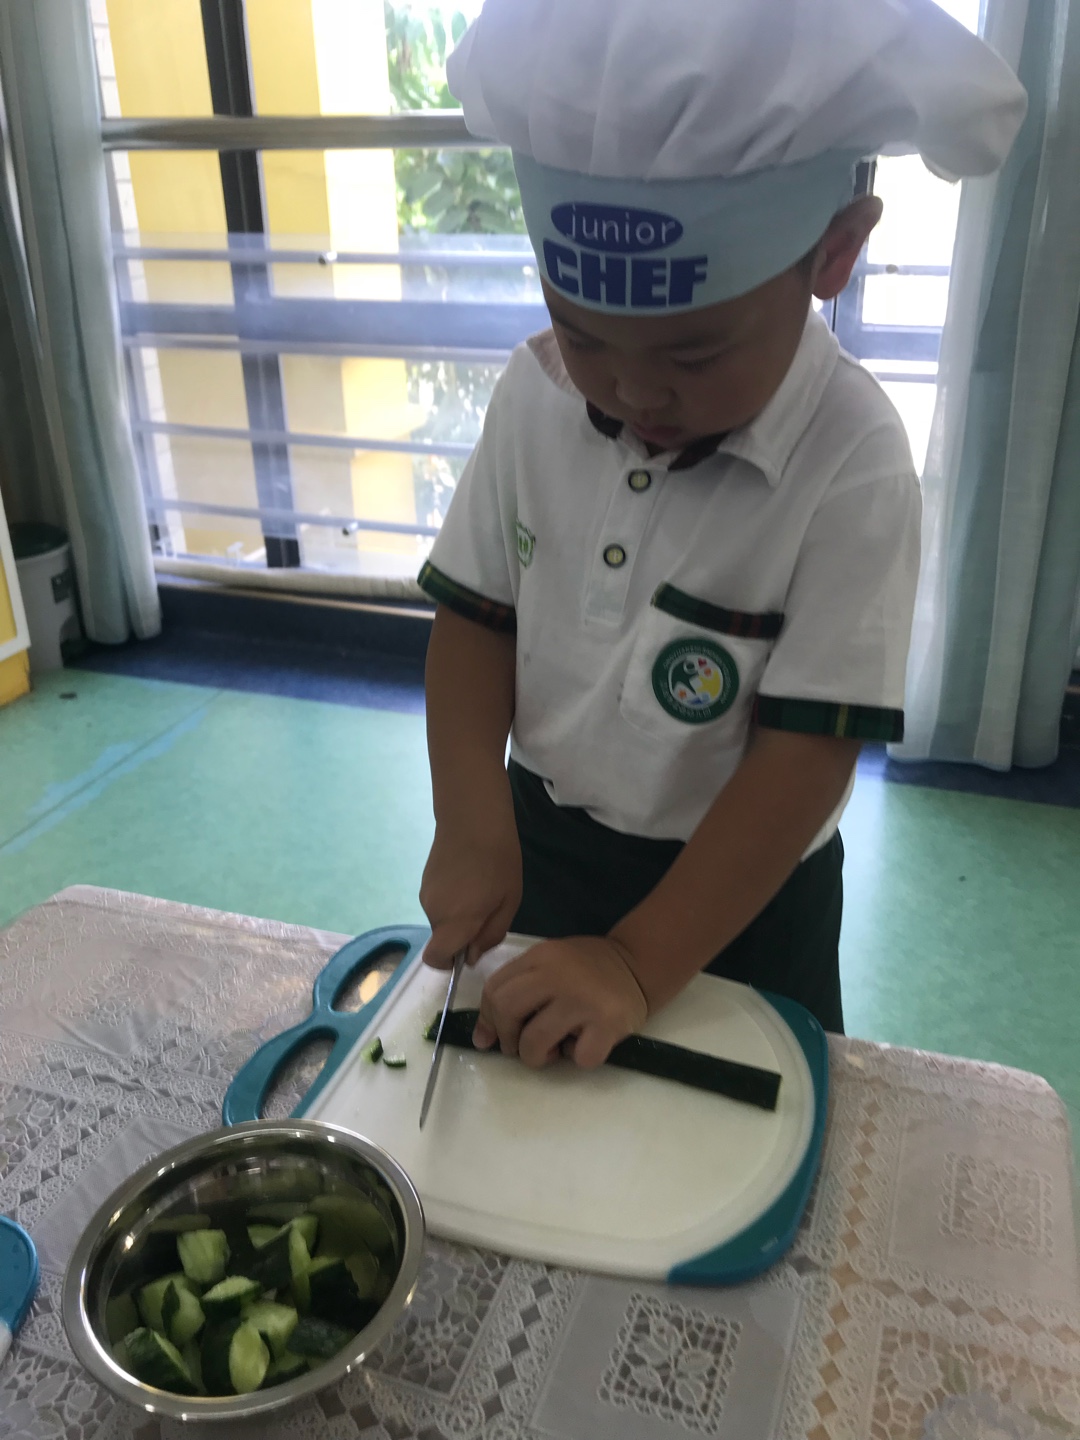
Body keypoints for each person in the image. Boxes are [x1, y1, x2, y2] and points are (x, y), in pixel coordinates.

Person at [415, 0, 1026, 1065]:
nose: (634, 391)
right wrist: (471, 818)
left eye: (694, 355)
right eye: (583, 333)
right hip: (543, 845)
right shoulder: (536, 393)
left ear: (834, 252)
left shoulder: (852, 460)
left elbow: (806, 754)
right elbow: (477, 620)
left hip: (744, 894)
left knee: (743, 1129)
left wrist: (639, 963)